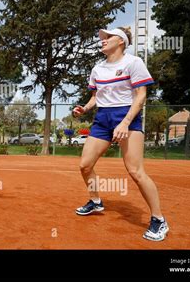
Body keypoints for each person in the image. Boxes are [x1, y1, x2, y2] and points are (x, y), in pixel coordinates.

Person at [73, 27, 169, 241]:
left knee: (135, 171)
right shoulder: (97, 68)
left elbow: (141, 95)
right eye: (102, 38)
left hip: (127, 116)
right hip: (102, 119)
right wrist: (85, 109)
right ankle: (96, 202)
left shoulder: (133, 63)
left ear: (122, 41)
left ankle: (159, 219)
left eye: (108, 37)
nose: (103, 40)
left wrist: (125, 122)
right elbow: (95, 97)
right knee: (85, 165)